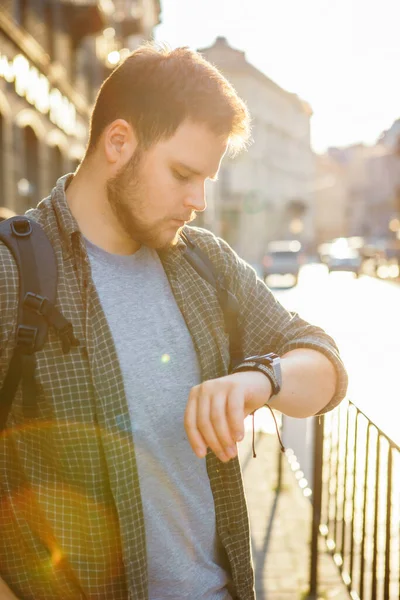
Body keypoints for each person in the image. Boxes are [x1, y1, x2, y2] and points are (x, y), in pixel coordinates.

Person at [0, 44, 348, 600]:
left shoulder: (204, 262)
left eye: (206, 178)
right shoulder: (13, 272)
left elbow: (324, 363)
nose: (199, 200)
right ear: (119, 142)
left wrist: (260, 379)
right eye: (183, 174)